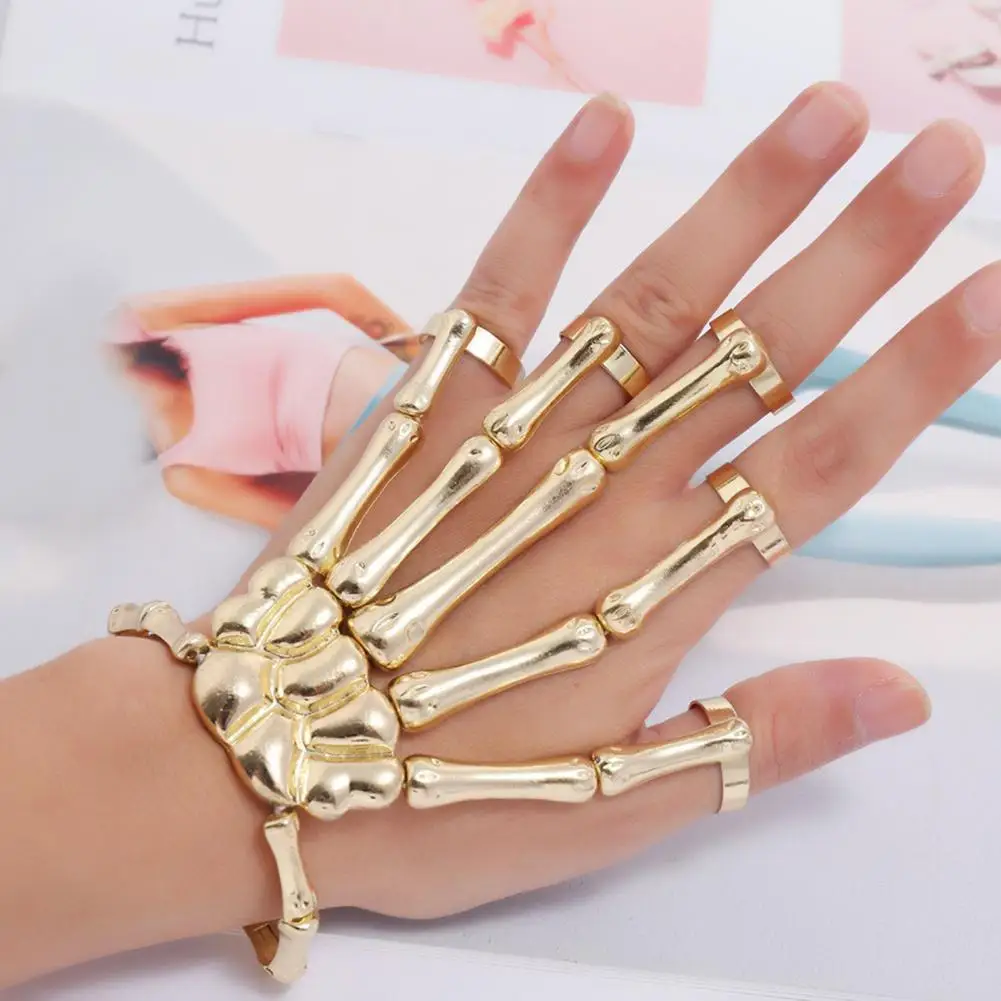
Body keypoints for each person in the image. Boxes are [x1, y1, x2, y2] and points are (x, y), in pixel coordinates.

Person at [1, 85, 995, 988]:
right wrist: (205, 754)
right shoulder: (180, 456)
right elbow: (240, 498)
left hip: (410, 466)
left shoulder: (169, 337)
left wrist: (420, 380)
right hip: (383, 540)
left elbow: (306, 312)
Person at [110, 275, 420, 529]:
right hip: (390, 474)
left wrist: (428, 363)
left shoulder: (143, 323)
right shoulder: (185, 475)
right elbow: (310, 530)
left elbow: (333, 290)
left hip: (413, 392)